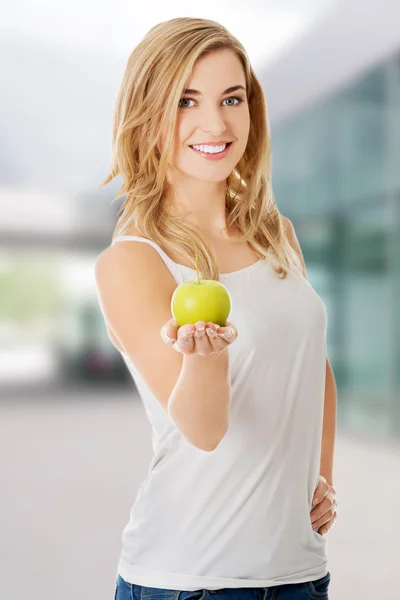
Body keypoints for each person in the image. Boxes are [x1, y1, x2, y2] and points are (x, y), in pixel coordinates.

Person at [95, 17, 337, 600]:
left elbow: (314, 368)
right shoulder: (133, 261)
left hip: (300, 575)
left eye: (232, 98)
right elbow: (203, 431)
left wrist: (322, 474)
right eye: (185, 101)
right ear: (146, 114)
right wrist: (205, 359)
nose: (216, 123)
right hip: (188, 581)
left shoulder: (277, 233)